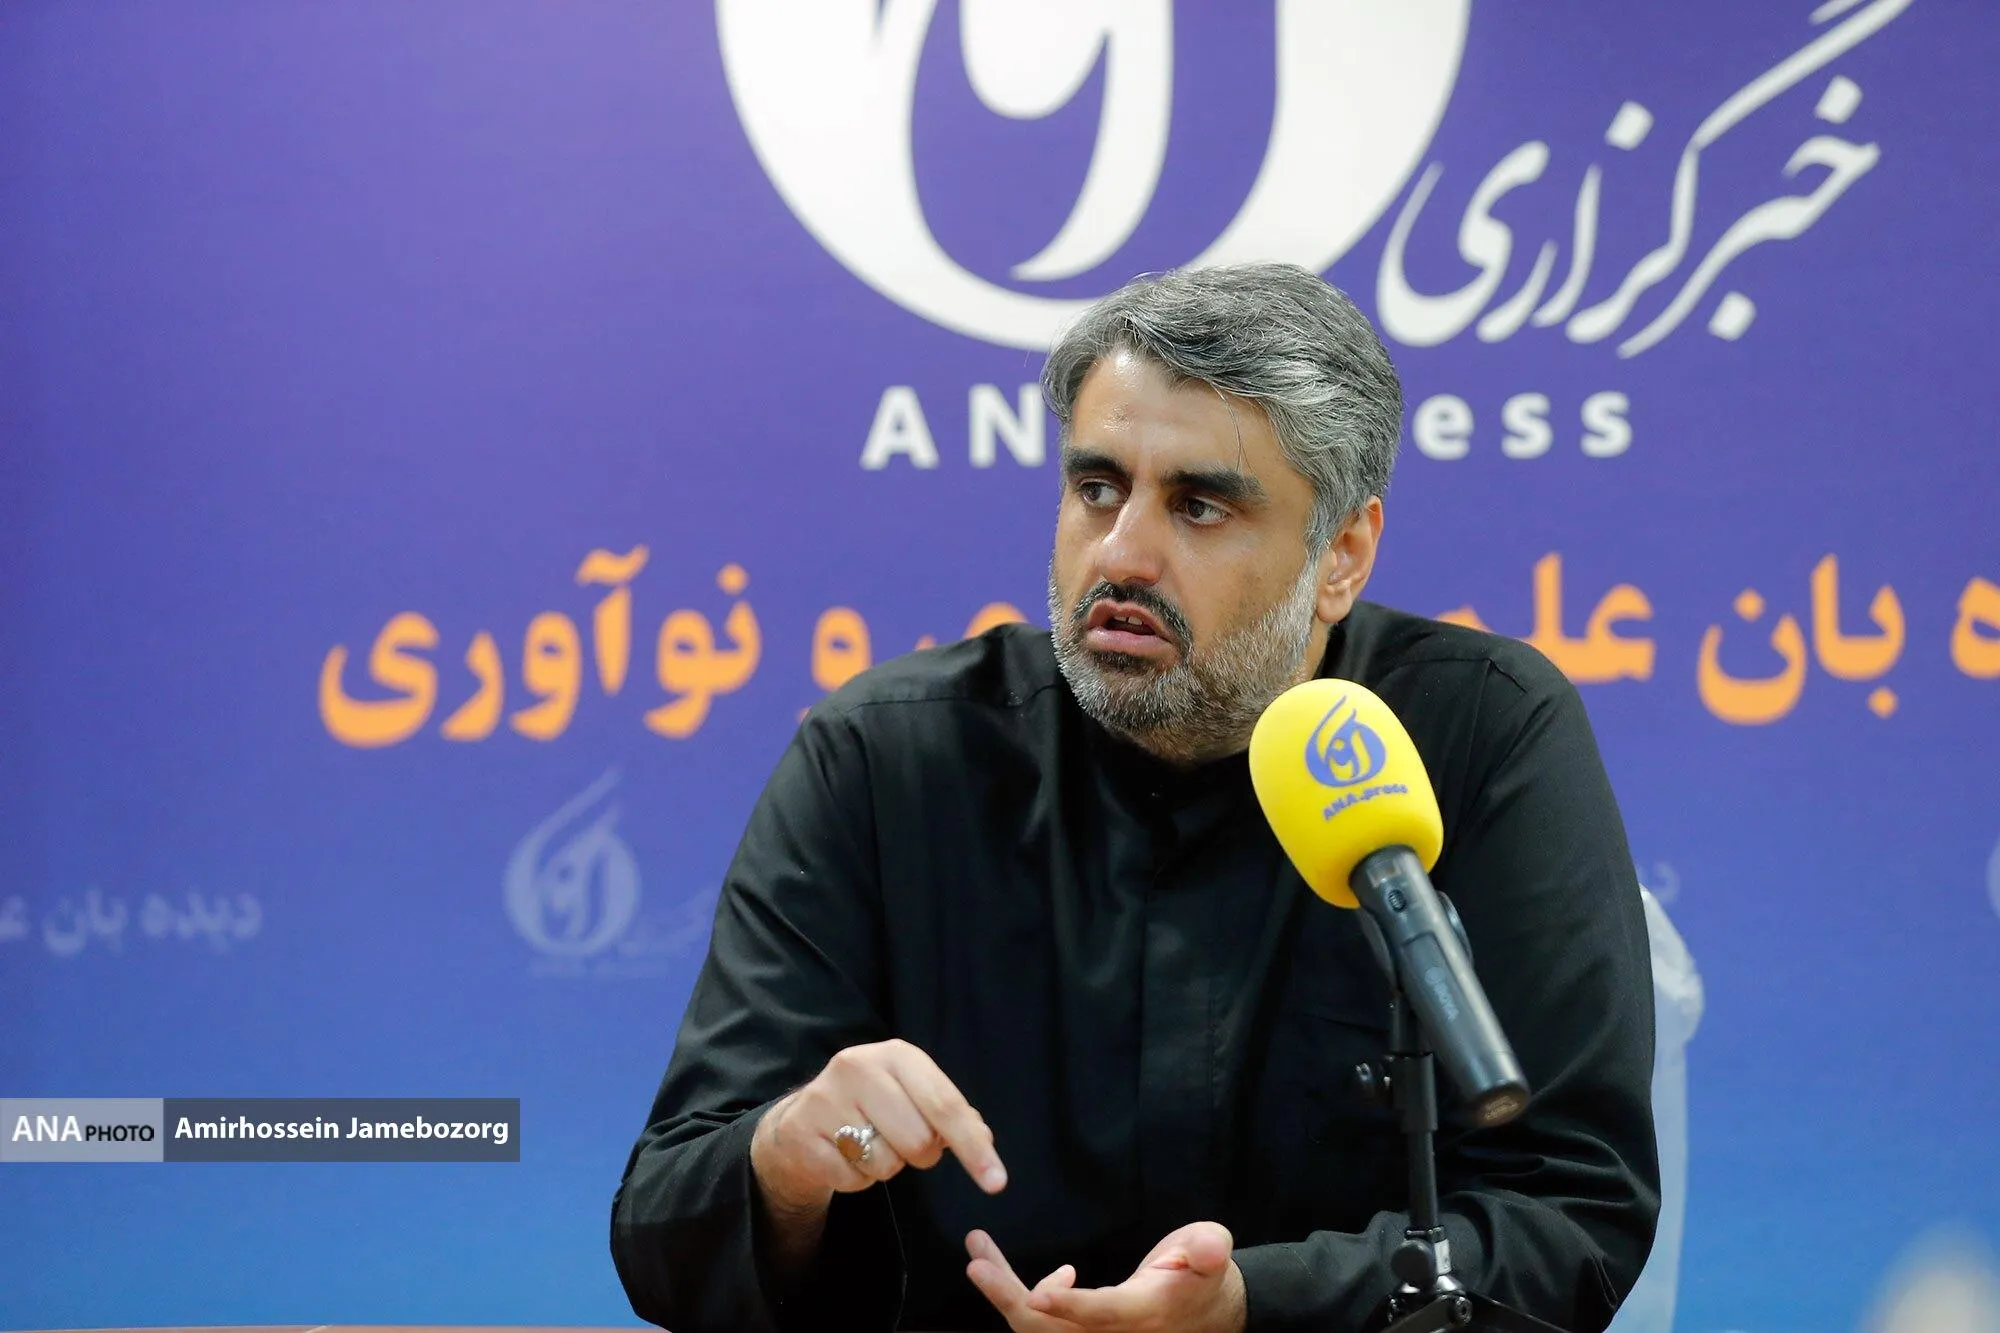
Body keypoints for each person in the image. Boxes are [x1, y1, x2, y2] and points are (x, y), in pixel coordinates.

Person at [610, 263, 1659, 1332]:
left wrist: (1254, 1306)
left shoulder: (1476, 734)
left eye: (1199, 506)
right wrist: (788, 1155)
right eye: (1098, 488)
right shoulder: (885, 758)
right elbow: (660, 1230)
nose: (1121, 554)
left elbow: (1573, 1213)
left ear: (1340, 554)